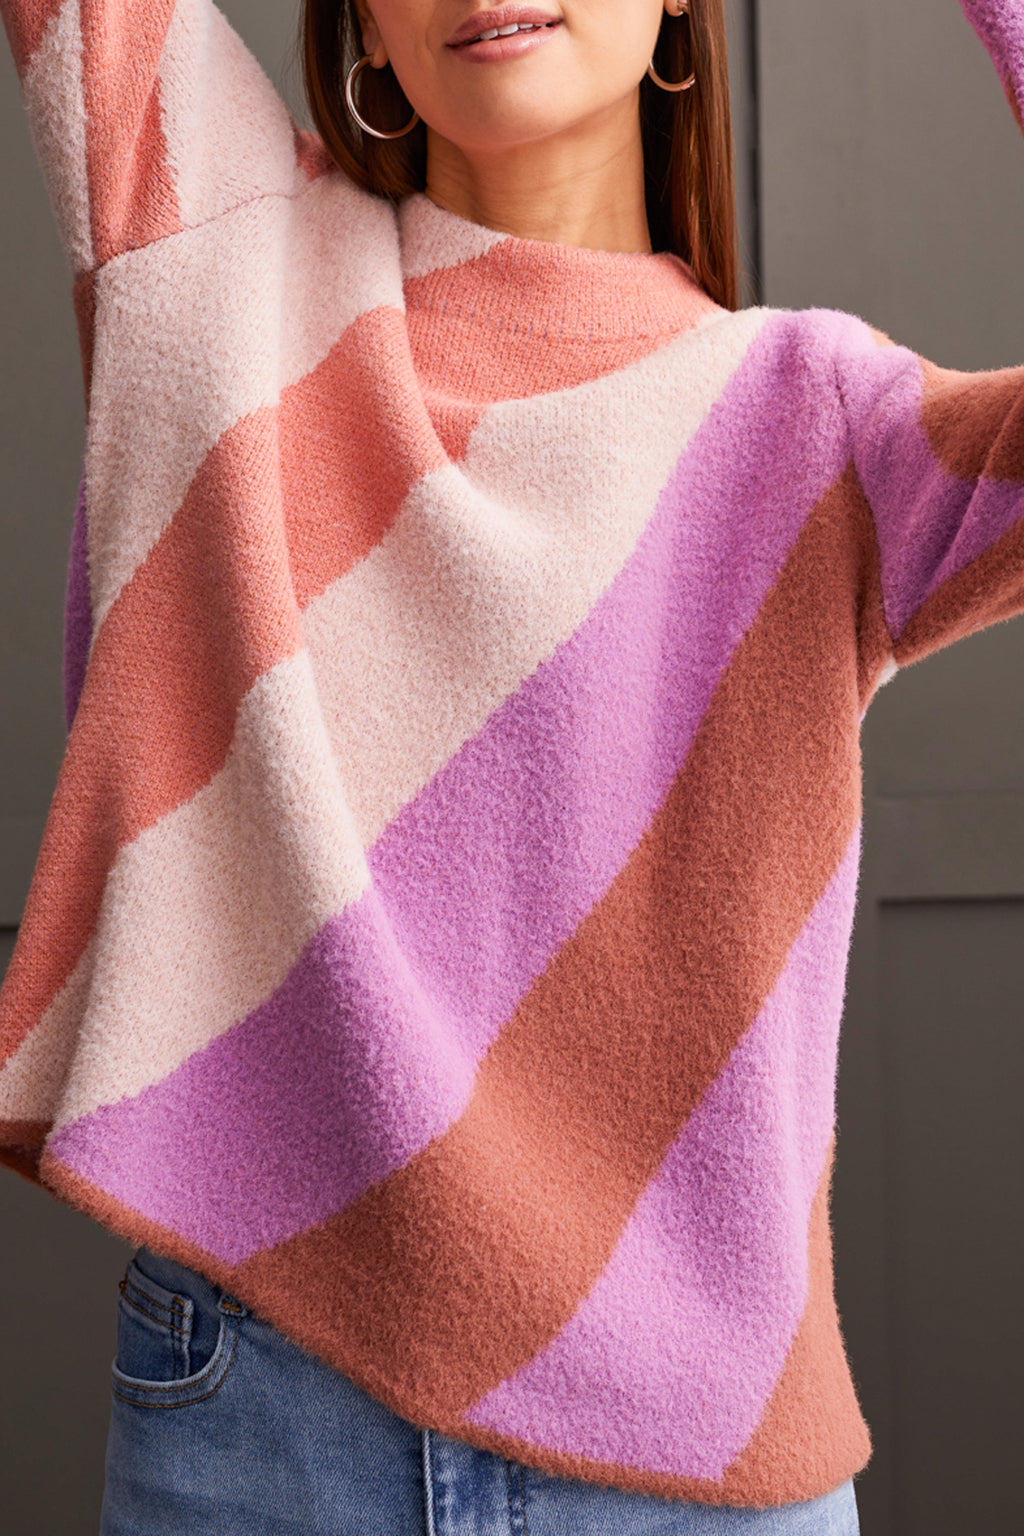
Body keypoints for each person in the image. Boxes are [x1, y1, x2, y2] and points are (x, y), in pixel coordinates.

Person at [0, 0, 1021, 1530]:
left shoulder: (822, 420)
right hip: (265, 1426)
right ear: (365, 27)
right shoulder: (217, 247)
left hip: (705, 1470)